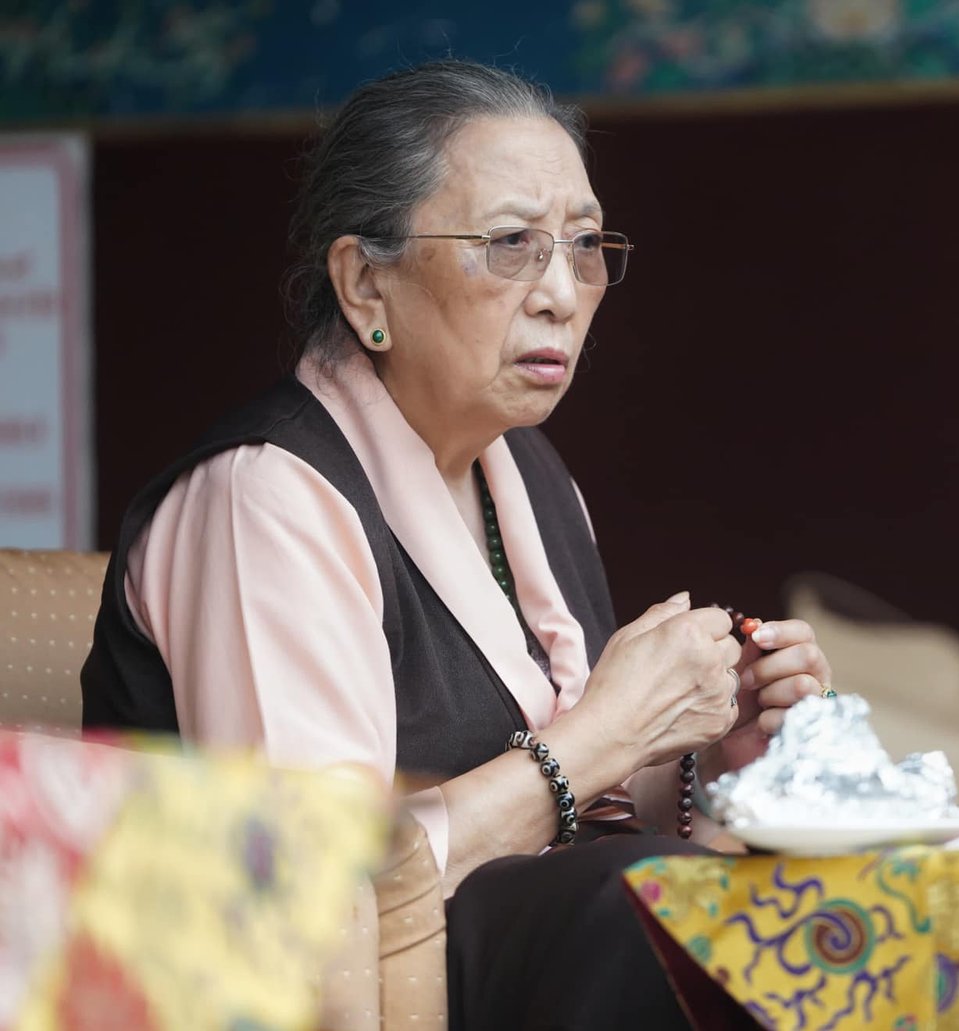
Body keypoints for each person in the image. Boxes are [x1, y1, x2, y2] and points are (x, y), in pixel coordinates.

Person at [80, 59, 833, 1028]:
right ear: (366, 284)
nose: (561, 292)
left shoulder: (531, 477)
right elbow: (310, 904)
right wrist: (603, 736)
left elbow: (558, 820)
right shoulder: (265, 494)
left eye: (584, 245)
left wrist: (700, 742)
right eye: (511, 243)